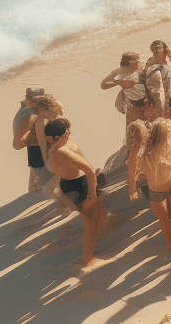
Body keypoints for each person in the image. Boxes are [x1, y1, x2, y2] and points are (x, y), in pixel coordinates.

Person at [42, 117, 107, 271]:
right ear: (55, 138)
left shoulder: (59, 145)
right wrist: (91, 194)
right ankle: (88, 260)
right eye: (66, 133)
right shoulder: (61, 151)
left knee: (101, 212)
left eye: (69, 132)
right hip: (80, 186)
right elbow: (89, 170)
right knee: (90, 224)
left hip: (73, 183)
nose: (69, 135)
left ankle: (95, 240)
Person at [126, 119, 171, 255]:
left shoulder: (167, 147)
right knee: (166, 220)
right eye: (168, 133)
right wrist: (132, 189)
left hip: (168, 187)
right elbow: (132, 171)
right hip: (160, 191)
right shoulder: (145, 153)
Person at [12, 86, 52, 193]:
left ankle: (33, 187)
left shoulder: (24, 108)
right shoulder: (32, 115)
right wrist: (31, 137)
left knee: (35, 170)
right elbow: (17, 145)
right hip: (35, 146)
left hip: (33, 146)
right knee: (45, 175)